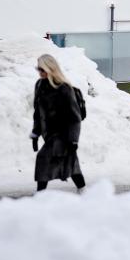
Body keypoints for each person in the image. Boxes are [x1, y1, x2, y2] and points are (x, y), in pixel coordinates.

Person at [30, 54, 86, 192]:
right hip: (49, 135)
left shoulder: (64, 88)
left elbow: (75, 117)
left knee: (43, 159)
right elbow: (38, 112)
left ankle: (40, 195)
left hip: (63, 134)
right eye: (38, 69)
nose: (40, 72)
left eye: (42, 69)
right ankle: (83, 190)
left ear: (50, 69)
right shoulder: (40, 85)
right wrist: (36, 132)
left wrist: (73, 140)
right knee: (70, 163)